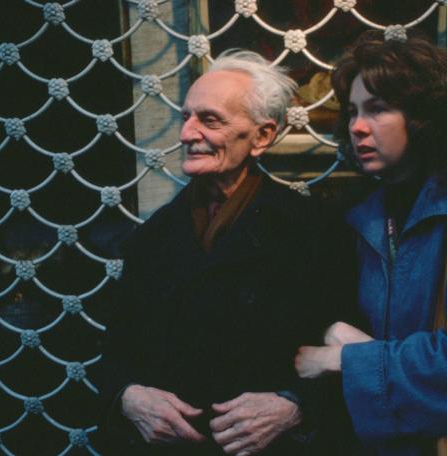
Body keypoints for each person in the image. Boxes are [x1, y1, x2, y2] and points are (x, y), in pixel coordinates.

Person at [99, 50, 356, 455]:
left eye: (210, 119)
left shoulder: (313, 231)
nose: (186, 134)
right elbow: (116, 355)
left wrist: (295, 407)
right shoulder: (152, 238)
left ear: (263, 137)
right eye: (186, 117)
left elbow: (352, 360)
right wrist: (129, 399)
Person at [294, 32, 447, 455]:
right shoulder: (359, 216)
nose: (357, 127)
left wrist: (345, 359)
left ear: (424, 117)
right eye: (352, 112)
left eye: (378, 109)